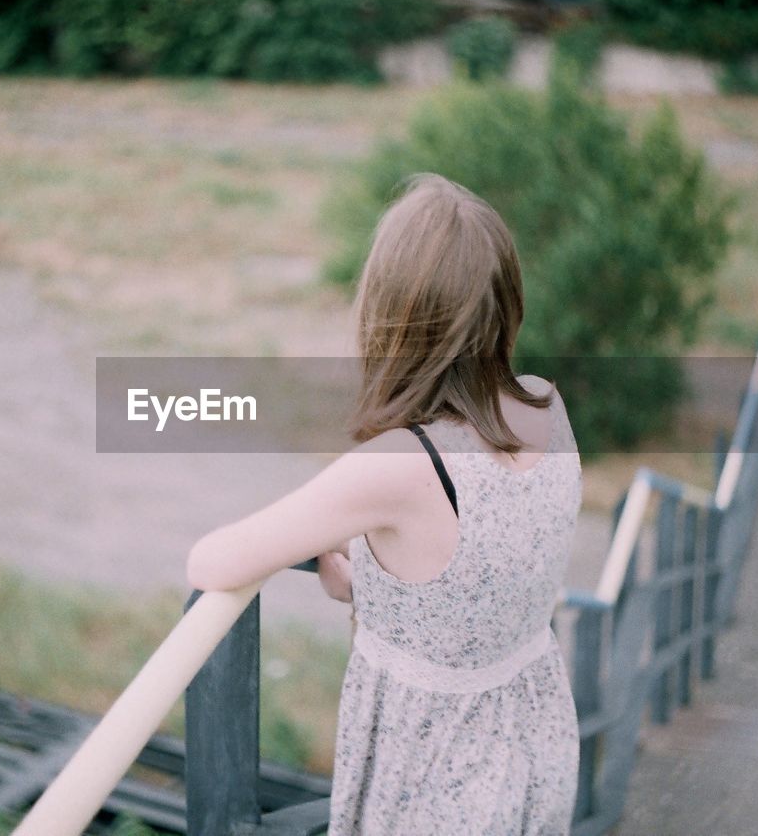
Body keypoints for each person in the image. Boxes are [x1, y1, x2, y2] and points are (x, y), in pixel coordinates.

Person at [186, 173, 581, 834]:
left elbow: (213, 560)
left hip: (435, 778)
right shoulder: (547, 406)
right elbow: (473, 588)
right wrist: (362, 584)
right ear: (506, 301)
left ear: (391, 315)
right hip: (532, 747)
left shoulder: (403, 463)